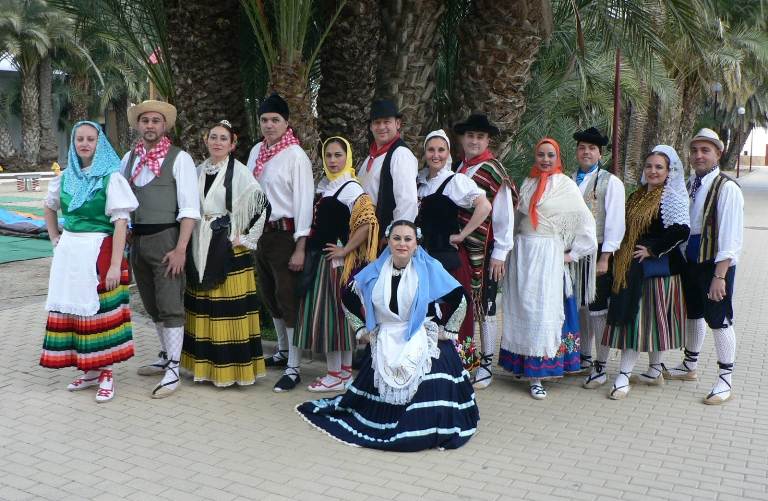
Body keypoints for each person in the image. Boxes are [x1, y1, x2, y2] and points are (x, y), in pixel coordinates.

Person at [296, 220, 478, 451]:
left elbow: (460, 298)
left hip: (421, 333)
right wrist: (362, 330)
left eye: (407, 239)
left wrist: (448, 331)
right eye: (397, 238)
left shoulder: (430, 268)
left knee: (434, 375)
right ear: (388, 241)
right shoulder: (374, 270)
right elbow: (347, 296)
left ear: (416, 243)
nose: (402, 243)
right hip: (386, 335)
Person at [41, 121, 139, 403]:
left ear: (100, 143)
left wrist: (114, 264)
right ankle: (90, 369)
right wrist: (54, 238)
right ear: (73, 143)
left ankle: (107, 372)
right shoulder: (66, 177)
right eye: (79, 139)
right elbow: (49, 206)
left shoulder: (111, 178)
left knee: (101, 313)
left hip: (100, 251)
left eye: (90, 139)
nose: (84, 144)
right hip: (70, 252)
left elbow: (121, 223)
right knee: (78, 314)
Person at [499, 138, 597, 399]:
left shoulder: (565, 185)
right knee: (523, 308)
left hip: (547, 254)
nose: (545, 159)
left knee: (541, 310)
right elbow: (519, 218)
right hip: (523, 254)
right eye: (541, 154)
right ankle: (520, 365)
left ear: (558, 157)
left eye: (550, 155)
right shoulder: (528, 183)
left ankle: (538, 376)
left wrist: (572, 254)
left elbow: (586, 224)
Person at [181, 120, 270, 387]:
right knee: (204, 307)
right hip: (199, 243)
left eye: (223, 138)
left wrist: (241, 238)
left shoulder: (240, 173)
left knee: (227, 309)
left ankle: (232, 372)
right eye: (213, 137)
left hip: (227, 247)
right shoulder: (197, 170)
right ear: (206, 141)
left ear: (232, 144)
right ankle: (204, 368)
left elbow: (260, 205)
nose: (217, 142)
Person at [122, 100, 201, 399]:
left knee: (169, 303)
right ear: (139, 125)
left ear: (164, 125)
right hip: (138, 241)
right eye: (145, 121)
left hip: (166, 238)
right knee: (151, 304)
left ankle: (173, 368)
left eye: (156, 121)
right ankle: (165, 355)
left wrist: (181, 248)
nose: (150, 125)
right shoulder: (129, 159)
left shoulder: (179, 159)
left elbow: (190, 208)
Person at [601, 146, 690, 399]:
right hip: (632, 268)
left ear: (668, 171)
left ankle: (623, 375)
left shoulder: (670, 196)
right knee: (650, 324)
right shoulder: (638, 195)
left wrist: (652, 249)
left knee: (639, 324)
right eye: (649, 166)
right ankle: (653, 371)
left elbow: (681, 230)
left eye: (659, 167)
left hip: (655, 273)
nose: (653, 171)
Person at [664, 129, 744, 405]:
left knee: (719, 319)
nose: (699, 155)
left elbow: (731, 237)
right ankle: (690, 366)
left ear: (718, 154)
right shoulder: (688, 184)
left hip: (714, 264)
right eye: (695, 150)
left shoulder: (726, 187)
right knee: (694, 315)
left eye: (705, 150)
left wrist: (720, 276)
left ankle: (725, 379)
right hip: (691, 262)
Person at [294, 136, 379, 392]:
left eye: (337, 155)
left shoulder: (351, 188)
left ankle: (334, 374)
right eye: (328, 155)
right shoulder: (330, 186)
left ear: (347, 157)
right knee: (338, 318)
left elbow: (368, 223)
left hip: (336, 265)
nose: (332, 160)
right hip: (326, 262)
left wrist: (346, 249)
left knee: (332, 317)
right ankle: (342, 373)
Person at [245, 93, 314, 392]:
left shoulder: (295, 155)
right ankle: (283, 351)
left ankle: (294, 366)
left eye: (275, 120)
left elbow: (304, 202)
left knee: (288, 299)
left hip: (286, 235)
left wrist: (300, 245)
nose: (269, 125)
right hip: (262, 235)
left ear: (287, 122)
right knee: (269, 295)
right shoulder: (257, 151)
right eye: (264, 120)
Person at [452, 114, 517, 388]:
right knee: (467, 305)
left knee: (486, 306)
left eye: (480, 137)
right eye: (470, 136)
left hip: (487, 249)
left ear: (488, 140)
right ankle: (468, 358)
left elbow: (504, 214)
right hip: (462, 249)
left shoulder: (493, 170)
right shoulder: (459, 167)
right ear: (462, 139)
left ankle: (487, 364)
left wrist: (501, 251)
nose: (474, 141)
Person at [416, 129, 492, 366]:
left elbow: (484, 206)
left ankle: (459, 366)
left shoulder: (455, 181)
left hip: (448, 260)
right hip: (424, 258)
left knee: (452, 311)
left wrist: (463, 234)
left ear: (448, 153)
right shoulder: (420, 181)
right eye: (431, 150)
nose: (435, 155)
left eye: (441, 150)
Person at [569, 127, 627, 388]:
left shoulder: (610, 182)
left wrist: (606, 258)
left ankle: (601, 367)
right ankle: (583, 357)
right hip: (572, 255)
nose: (586, 152)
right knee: (580, 307)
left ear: (599, 153)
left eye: (592, 148)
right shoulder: (568, 180)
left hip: (598, 254)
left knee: (597, 310)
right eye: (582, 147)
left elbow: (615, 223)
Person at [357, 99, 418, 242]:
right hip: (367, 238)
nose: (381, 127)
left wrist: (394, 235)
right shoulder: (371, 157)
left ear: (397, 124)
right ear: (371, 127)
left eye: (387, 122)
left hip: (385, 240)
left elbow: (407, 201)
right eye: (377, 122)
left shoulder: (400, 154)